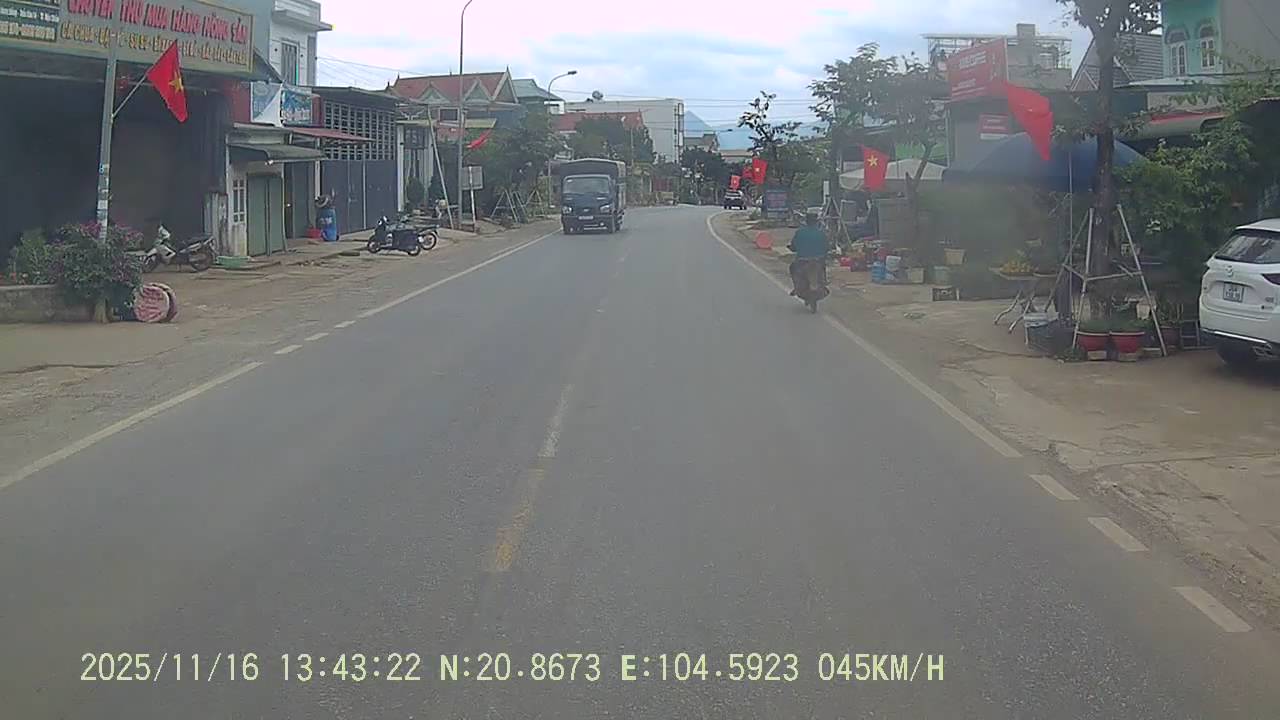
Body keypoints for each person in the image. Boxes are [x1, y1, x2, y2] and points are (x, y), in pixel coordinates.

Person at [788, 213, 830, 300]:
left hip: (802, 260)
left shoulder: (800, 232)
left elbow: (793, 246)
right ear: (816, 222)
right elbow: (827, 247)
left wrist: (793, 248)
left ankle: (796, 287)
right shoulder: (821, 233)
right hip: (818, 260)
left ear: (806, 221)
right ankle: (824, 283)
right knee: (823, 267)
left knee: (792, 268)